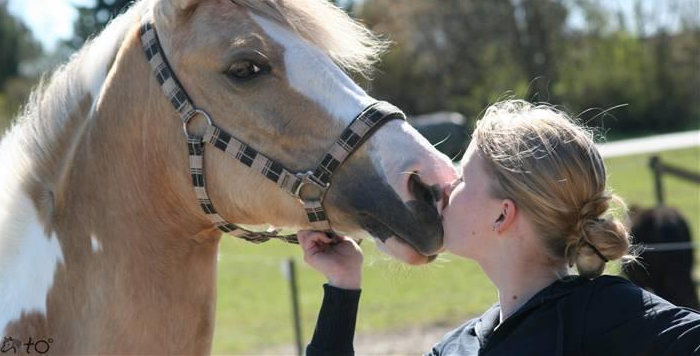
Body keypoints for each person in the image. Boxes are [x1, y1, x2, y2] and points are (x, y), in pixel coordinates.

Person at [297, 100, 700, 355]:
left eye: (463, 176)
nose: (446, 185)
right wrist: (342, 285)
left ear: (502, 215)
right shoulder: (455, 349)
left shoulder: (610, 315)